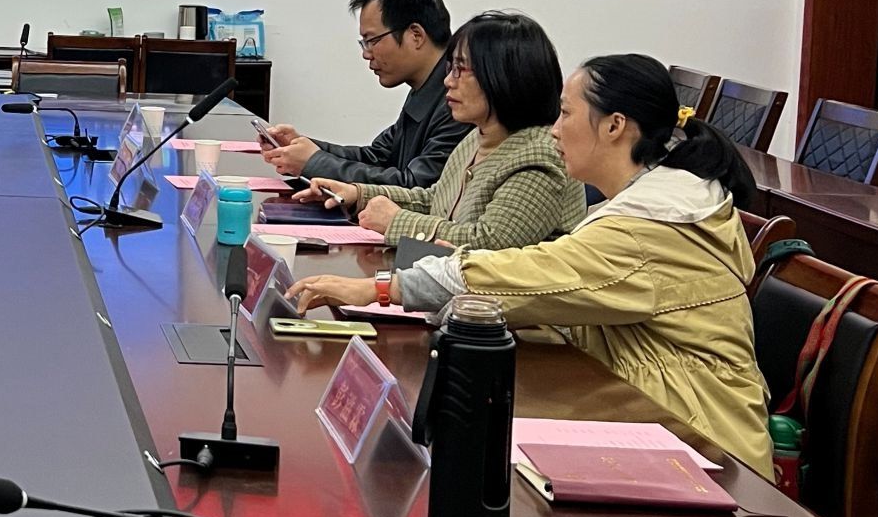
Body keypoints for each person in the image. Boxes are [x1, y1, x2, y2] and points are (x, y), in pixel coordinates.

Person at [290, 53, 772, 477]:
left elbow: (526, 276)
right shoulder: (649, 205)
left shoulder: (648, 225)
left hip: (704, 441)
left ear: (614, 126)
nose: (556, 128)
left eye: (567, 114)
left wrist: (382, 289)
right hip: (651, 409)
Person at [296, 11, 585, 252]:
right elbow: (436, 201)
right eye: (450, 69)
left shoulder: (540, 156)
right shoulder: (476, 138)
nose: (448, 81)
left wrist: (397, 222)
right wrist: (358, 194)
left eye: (460, 69)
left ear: (504, 76)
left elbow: (489, 243)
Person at [261, 0, 469, 188]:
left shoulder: (459, 100)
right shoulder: (426, 88)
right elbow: (377, 157)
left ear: (415, 35)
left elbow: (416, 186)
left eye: (372, 40)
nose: (366, 54)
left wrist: (313, 162)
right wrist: (303, 148)